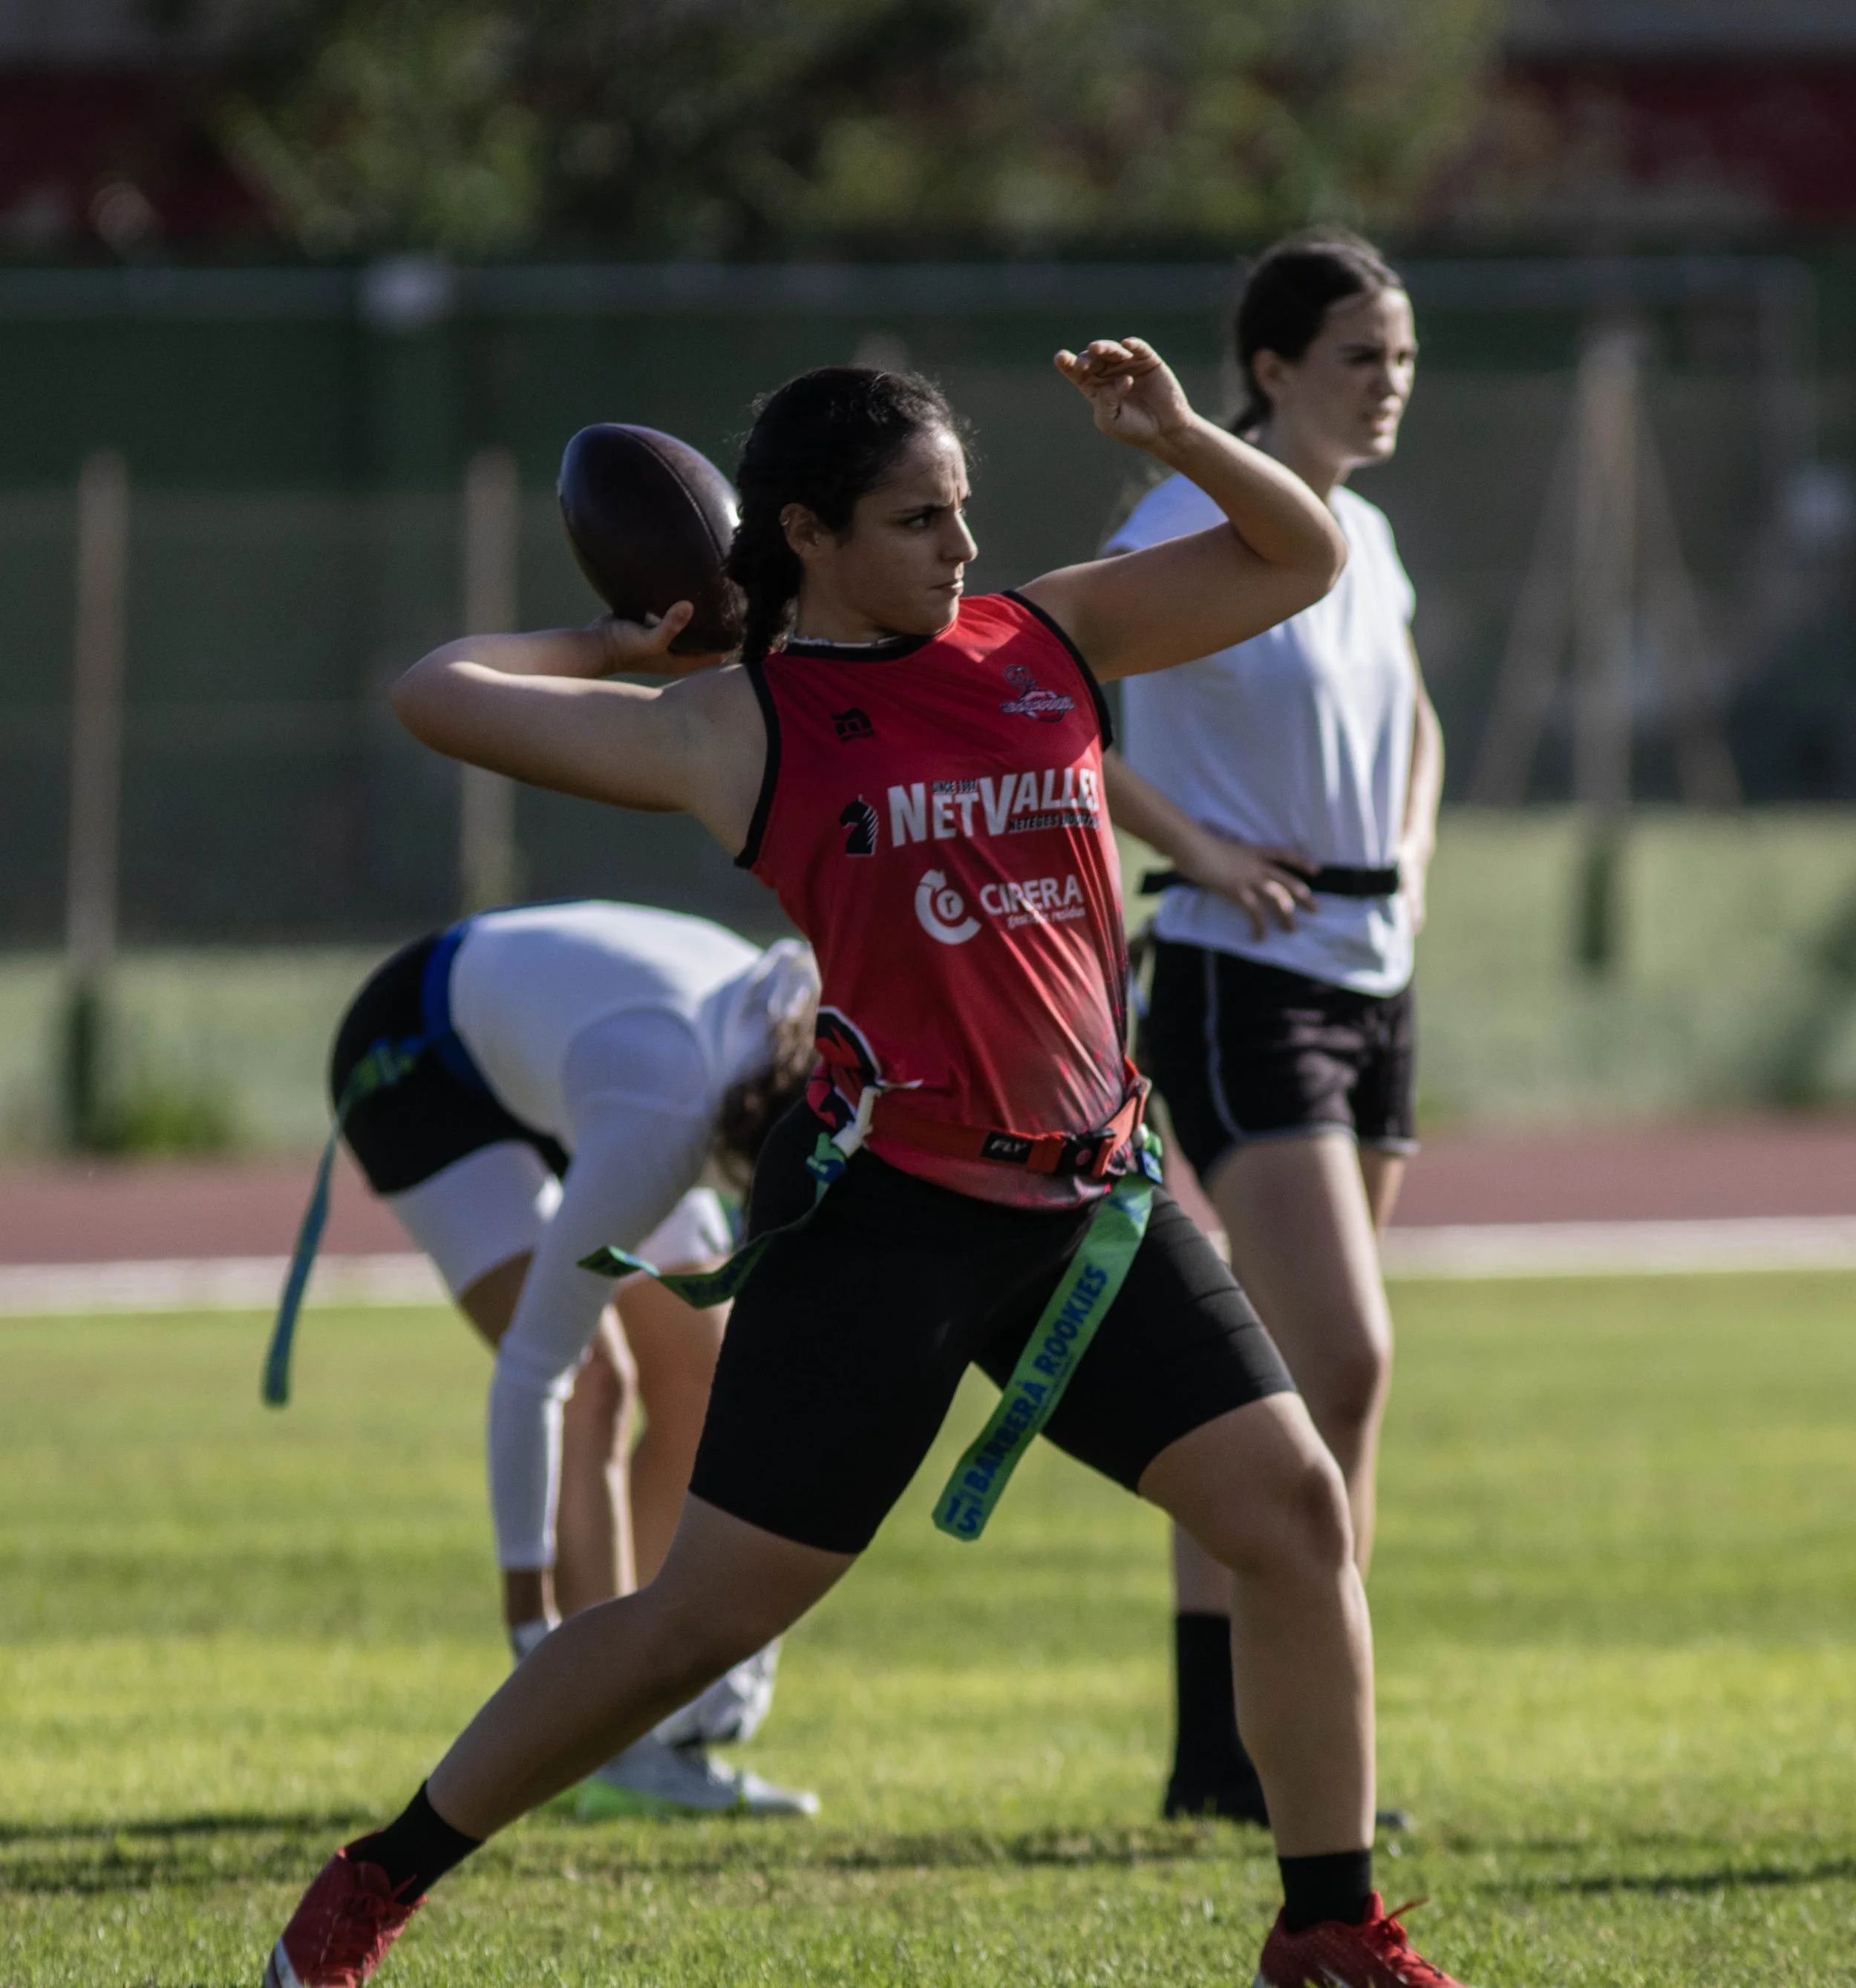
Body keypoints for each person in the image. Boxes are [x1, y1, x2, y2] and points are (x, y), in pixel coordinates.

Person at [264, 336, 1471, 1988]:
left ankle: (1325, 1927)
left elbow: (1302, 553)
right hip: (883, 1220)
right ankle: (372, 1884)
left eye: (963, 510)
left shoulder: (1044, 633)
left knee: (1292, 1509)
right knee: (699, 1617)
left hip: (1088, 1204)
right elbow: (435, 692)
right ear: (807, 532)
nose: (958, 549)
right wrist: (621, 645)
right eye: (917, 520)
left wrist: (1182, 431)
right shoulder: (733, 725)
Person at [1099, 230, 1443, 1825]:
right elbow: (1046, 706)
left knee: (1280, 1388)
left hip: (1371, 971)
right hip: (1241, 973)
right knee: (1339, 1362)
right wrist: (1200, 849)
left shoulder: (1363, 535)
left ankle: (1233, 1762)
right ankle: (1282, 1751)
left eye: (1401, 358)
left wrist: (1418, 861)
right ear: (1269, 371)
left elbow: (1412, 716)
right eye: (1359, 356)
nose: (1387, 385)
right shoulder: (1187, 513)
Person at [328, 898, 821, 1817]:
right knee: (593, 1377)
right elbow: (533, 1373)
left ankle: (641, 1688)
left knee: (705, 1373)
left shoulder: (776, 1054)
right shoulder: (667, 1115)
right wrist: (530, 1616)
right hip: (424, 1056)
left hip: (582, 1059)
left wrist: (736, 1624)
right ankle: (604, 1738)